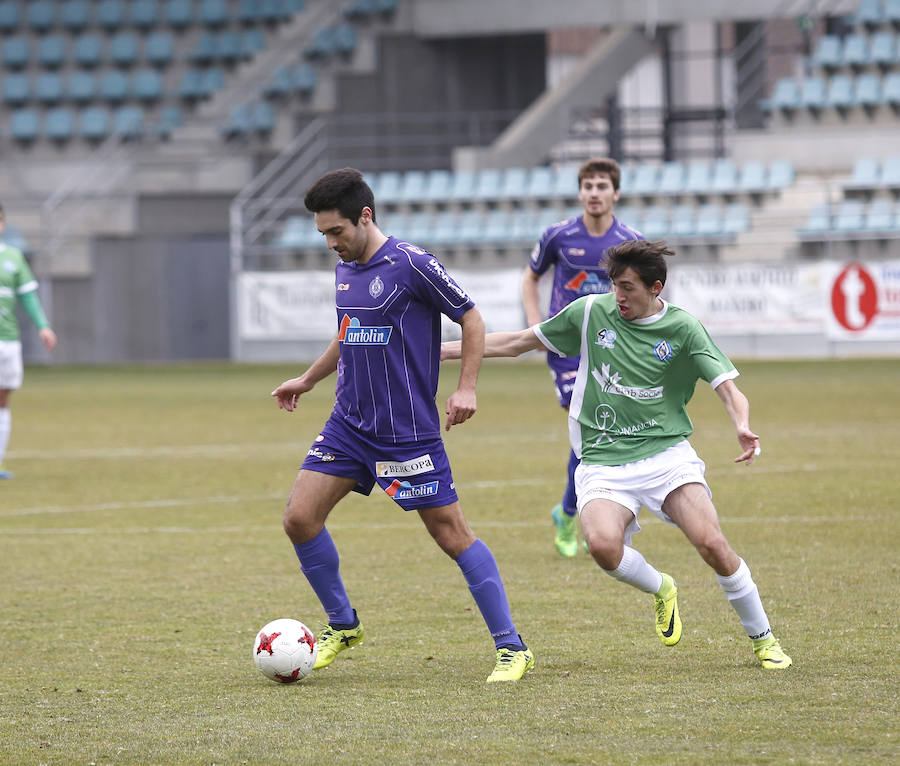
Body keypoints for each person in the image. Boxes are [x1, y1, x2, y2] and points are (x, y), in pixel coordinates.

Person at [443, 239, 792, 669]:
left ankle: (764, 640)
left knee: (712, 543)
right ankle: (662, 587)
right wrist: (439, 351)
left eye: (627, 287)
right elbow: (517, 342)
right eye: (614, 285)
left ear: (655, 288)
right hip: (603, 458)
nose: (618, 296)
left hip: (666, 455)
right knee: (603, 546)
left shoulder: (683, 328)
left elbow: (729, 389)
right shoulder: (591, 312)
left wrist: (742, 424)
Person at [270, 168, 534, 683]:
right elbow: (348, 332)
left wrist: (467, 387)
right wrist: (307, 380)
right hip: (349, 424)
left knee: (451, 534)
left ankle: (513, 648)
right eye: (322, 233)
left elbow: (472, 319)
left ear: (364, 217)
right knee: (299, 518)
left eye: (336, 231)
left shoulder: (413, 264)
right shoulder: (345, 268)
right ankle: (343, 625)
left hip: (407, 432)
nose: (330, 243)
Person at [522, 158, 642, 557]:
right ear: (580, 192)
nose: (594, 192)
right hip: (568, 349)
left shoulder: (630, 240)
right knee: (591, 428)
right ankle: (592, 515)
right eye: (588, 185)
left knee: (596, 434)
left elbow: (644, 292)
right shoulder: (558, 235)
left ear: (616, 193)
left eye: (602, 186)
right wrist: (536, 324)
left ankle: (572, 512)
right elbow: (531, 276)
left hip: (612, 348)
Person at [0, 205, 57, 480]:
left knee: (3, 399)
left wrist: (43, 326)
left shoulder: (13, 258)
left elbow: (28, 296)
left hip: (7, 341)